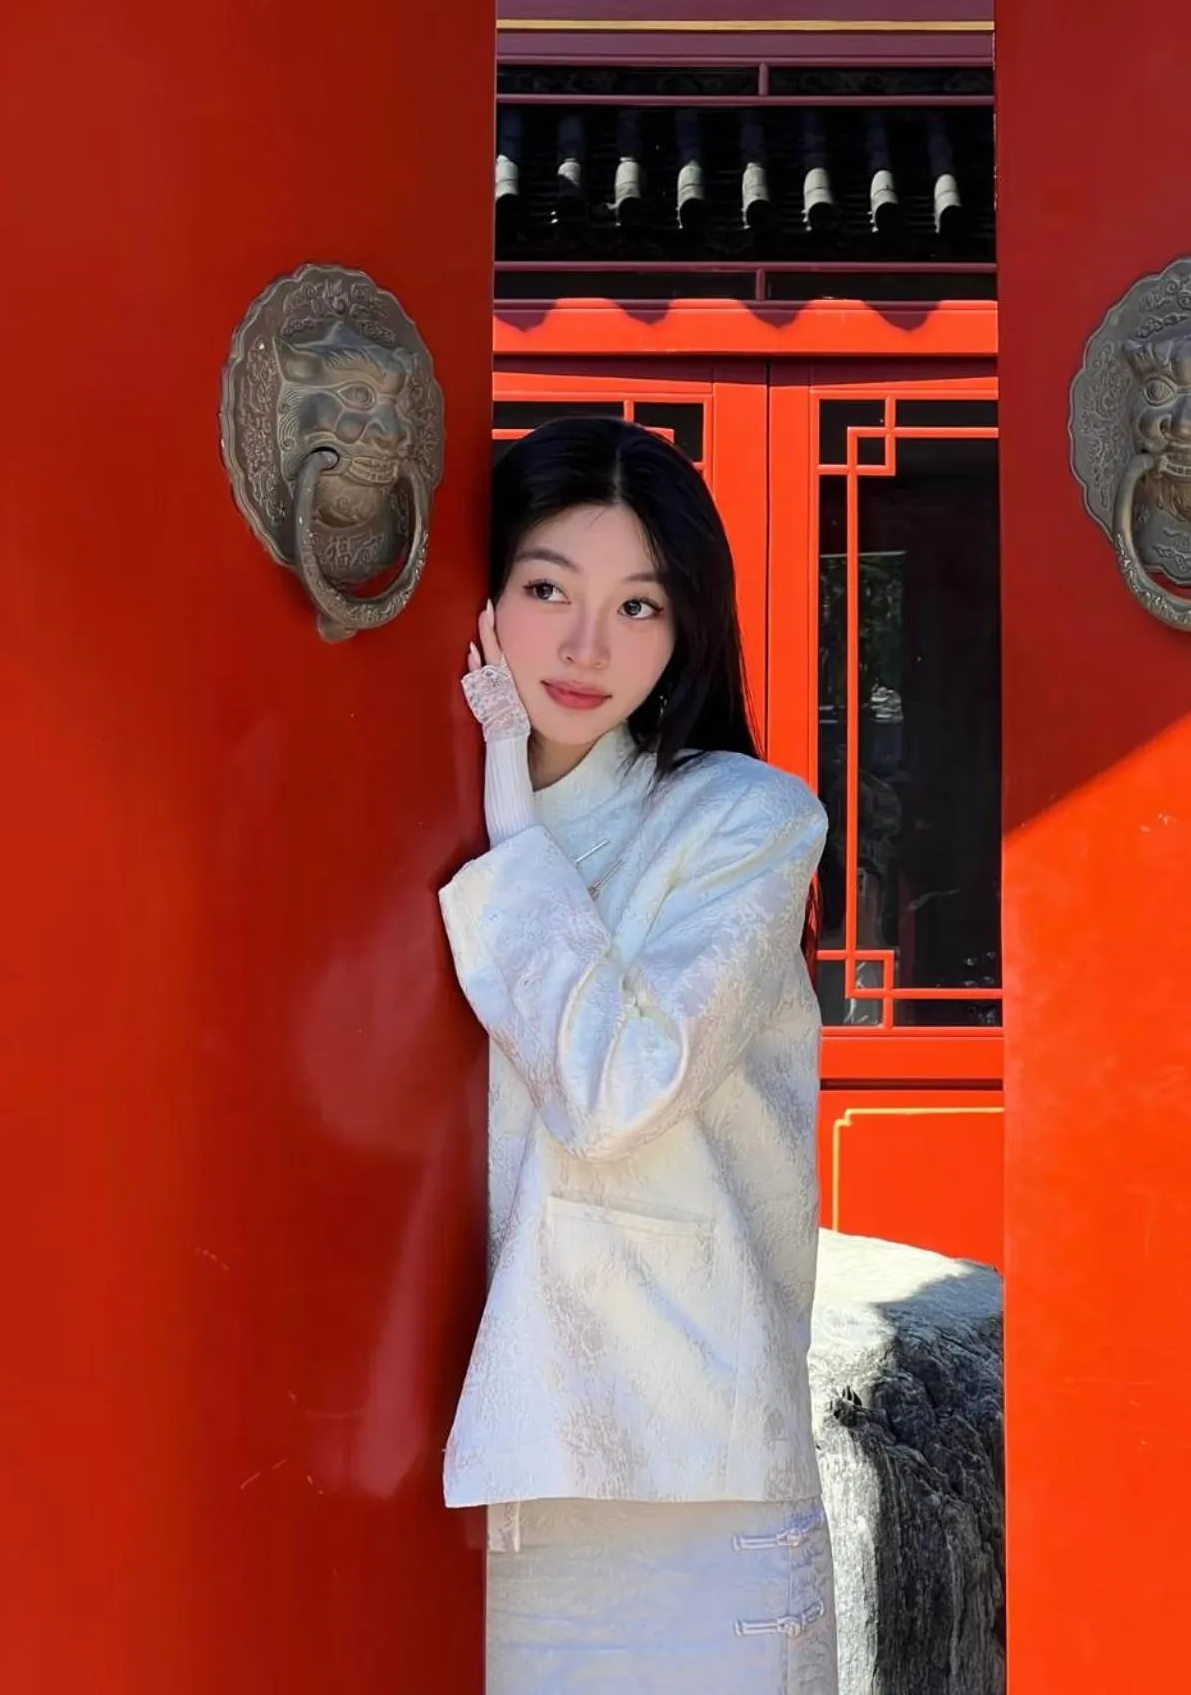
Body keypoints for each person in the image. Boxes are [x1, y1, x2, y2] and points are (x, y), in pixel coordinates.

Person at [437, 416, 837, 1693]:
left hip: (683, 1483)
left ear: (683, 634)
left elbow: (620, 1091)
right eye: (547, 588)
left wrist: (514, 830)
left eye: (638, 605)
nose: (585, 645)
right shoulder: (400, 821)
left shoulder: (746, 823)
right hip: (454, 1477)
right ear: (486, 596)